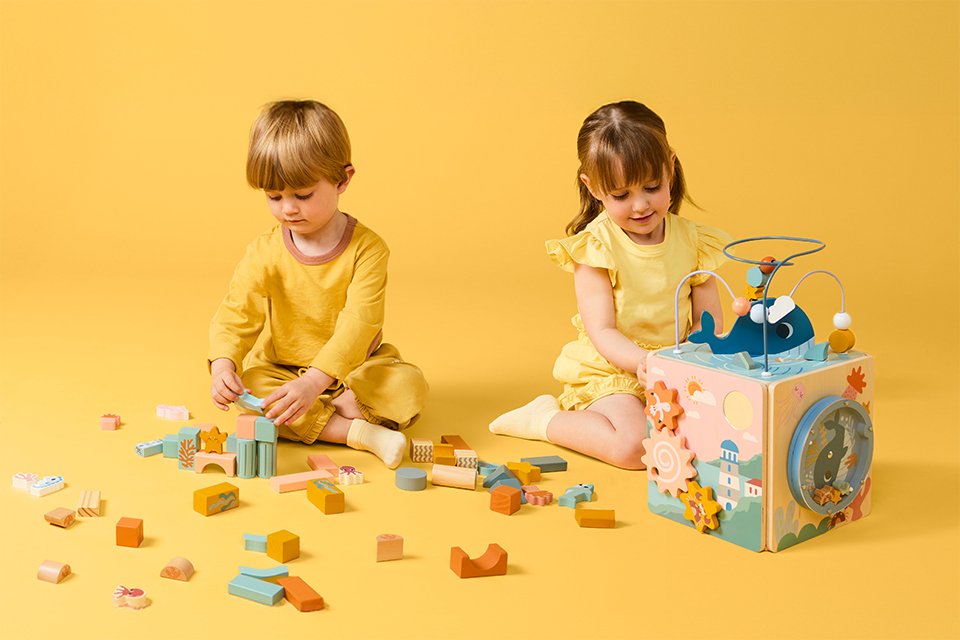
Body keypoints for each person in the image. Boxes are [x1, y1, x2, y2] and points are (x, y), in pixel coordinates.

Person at [490, 101, 731, 469]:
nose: (640, 205)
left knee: (716, 437)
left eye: (652, 186)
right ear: (593, 187)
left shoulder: (695, 242)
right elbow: (602, 330)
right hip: (614, 370)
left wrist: (690, 357)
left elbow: (708, 322)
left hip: (675, 367)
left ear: (670, 167)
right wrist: (644, 362)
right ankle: (544, 419)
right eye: (621, 195)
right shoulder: (596, 247)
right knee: (636, 448)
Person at [208, 100, 428, 469]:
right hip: (283, 370)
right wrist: (223, 365)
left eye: (302, 195)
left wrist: (314, 384)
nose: (287, 209)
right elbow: (236, 313)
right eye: (274, 197)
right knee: (254, 390)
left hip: (354, 372)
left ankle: (319, 416)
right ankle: (359, 433)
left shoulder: (368, 249)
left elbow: (360, 324)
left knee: (408, 386)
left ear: (343, 179)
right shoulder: (264, 251)